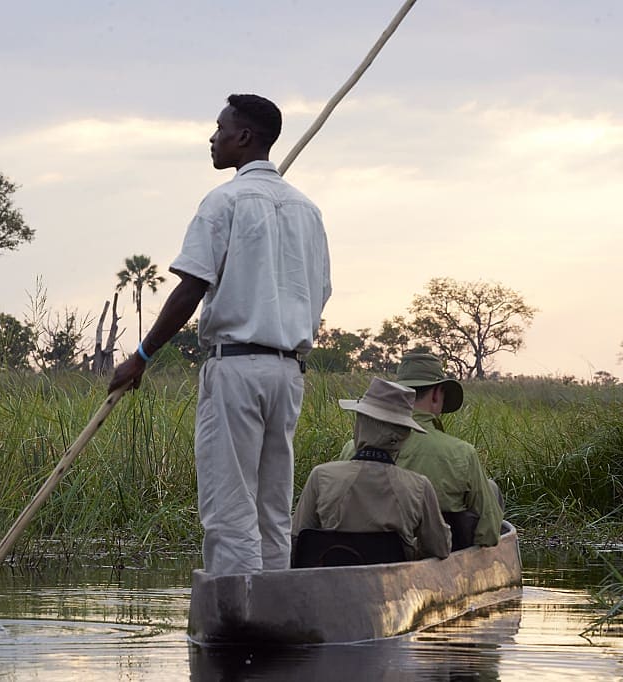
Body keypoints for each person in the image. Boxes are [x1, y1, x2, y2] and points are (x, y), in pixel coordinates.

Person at [108, 93, 331, 575]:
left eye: (220, 128)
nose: (213, 138)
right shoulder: (307, 210)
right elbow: (321, 293)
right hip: (289, 372)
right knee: (273, 507)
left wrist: (141, 356)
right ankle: (276, 606)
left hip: (236, 369)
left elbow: (191, 288)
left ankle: (240, 619)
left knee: (231, 506)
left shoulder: (224, 201)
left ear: (244, 137)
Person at [339, 350, 503, 548]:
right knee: (491, 489)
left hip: (357, 550)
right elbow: (490, 532)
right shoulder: (462, 453)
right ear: (436, 394)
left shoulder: (351, 449)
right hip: (438, 552)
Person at [293, 377, 452, 561]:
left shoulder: (321, 477)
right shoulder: (418, 488)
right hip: (392, 586)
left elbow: (297, 540)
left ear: (361, 425)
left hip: (330, 584)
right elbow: (441, 548)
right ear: (404, 434)